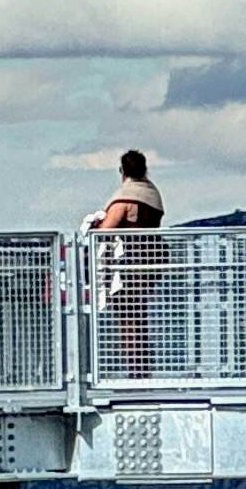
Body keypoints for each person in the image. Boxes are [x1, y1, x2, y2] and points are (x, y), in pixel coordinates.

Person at [90, 149, 166, 376]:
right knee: (139, 315)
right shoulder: (152, 194)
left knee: (127, 317)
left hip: (128, 264)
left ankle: (135, 370)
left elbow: (106, 229)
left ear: (122, 171)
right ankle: (142, 369)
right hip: (151, 259)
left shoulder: (126, 197)